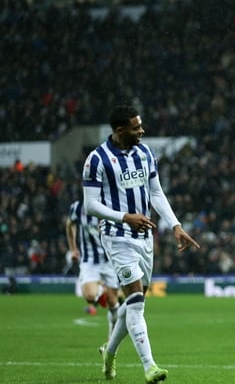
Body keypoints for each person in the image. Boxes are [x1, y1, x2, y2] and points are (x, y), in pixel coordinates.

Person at [82, 104, 200, 383]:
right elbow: (90, 205)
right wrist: (124, 217)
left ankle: (109, 353)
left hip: (145, 238)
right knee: (136, 304)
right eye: (136, 127)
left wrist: (176, 225)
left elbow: (156, 193)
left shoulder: (145, 153)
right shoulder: (96, 160)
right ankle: (150, 367)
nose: (142, 131)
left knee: (135, 303)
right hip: (116, 236)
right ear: (120, 130)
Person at [66, 199, 120, 336]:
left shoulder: (111, 203)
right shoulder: (78, 207)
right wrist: (73, 248)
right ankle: (102, 289)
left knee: (113, 302)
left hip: (110, 260)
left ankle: (111, 340)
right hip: (89, 259)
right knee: (90, 296)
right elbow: (69, 224)